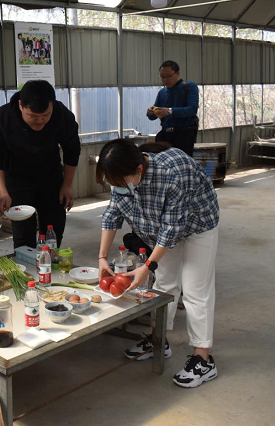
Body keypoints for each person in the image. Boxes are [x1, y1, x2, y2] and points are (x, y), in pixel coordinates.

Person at [96, 138, 219, 388]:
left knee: (195, 290)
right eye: (112, 183)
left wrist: (148, 266)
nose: (116, 188)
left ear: (139, 170)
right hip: (162, 229)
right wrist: (102, 257)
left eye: (119, 183)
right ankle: (158, 340)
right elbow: (112, 214)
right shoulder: (121, 176)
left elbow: (172, 228)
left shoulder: (172, 174)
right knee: (164, 284)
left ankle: (203, 359)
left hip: (199, 224)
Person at [0, 79, 80, 249]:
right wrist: (3, 193)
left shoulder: (61, 115)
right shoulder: (2, 119)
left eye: (46, 115)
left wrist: (67, 185)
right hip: (17, 178)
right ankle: (25, 263)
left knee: (54, 229)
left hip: (51, 176)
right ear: (21, 105)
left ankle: (49, 261)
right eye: (33, 116)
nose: (40, 121)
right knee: (23, 233)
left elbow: (72, 151)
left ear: (52, 105)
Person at [146, 60, 199, 156]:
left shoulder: (189, 87)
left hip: (184, 135)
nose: (165, 80)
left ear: (177, 73)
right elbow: (153, 117)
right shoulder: (162, 92)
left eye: (168, 76)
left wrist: (170, 111)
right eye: (162, 77)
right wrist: (151, 112)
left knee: (182, 161)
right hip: (165, 135)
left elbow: (192, 109)